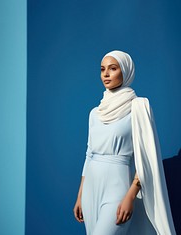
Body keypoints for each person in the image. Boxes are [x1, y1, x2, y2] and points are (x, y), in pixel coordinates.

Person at [73, 50, 176, 235]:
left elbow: (147, 156)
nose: (106, 74)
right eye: (102, 69)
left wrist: (130, 195)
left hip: (117, 187)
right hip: (91, 189)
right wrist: (80, 195)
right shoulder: (94, 113)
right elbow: (89, 154)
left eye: (113, 68)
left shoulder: (138, 107)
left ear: (126, 71)